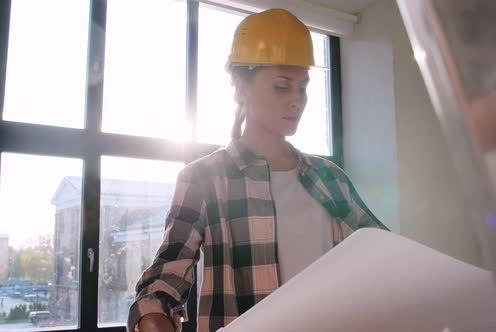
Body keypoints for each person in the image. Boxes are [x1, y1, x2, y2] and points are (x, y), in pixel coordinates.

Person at [127, 8, 389, 332]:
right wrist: (153, 315)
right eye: (282, 86)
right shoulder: (205, 179)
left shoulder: (330, 178)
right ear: (240, 86)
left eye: (303, 87)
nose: (297, 100)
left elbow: (386, 256)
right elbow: (163, 280)